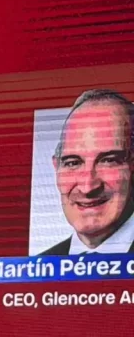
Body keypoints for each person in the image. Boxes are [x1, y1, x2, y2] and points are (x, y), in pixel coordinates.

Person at [40, 89, 134, 255]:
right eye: (73, 163)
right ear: (56, 168)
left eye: (108, 160)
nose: (87, 187)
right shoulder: (37, 266)